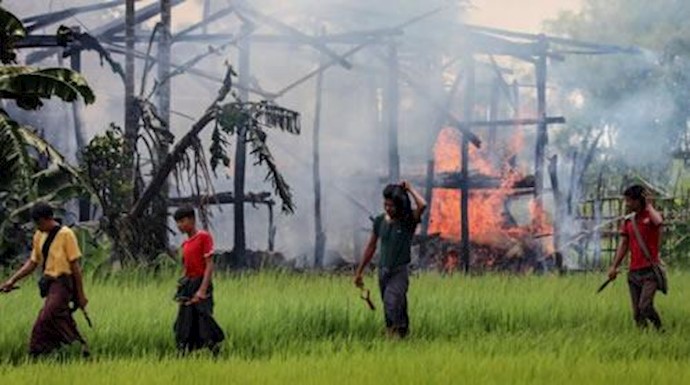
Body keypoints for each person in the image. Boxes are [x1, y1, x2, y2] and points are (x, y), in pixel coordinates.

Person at [0, 202, 89, 357]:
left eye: (39, 222)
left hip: (63, 284)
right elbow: (32, 263)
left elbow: (75, 267)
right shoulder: (39, 235)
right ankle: (77, 347)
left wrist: (80, 295)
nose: (38, 226)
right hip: (50, 284)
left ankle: (36, 351)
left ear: (49, 219)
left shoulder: (66, 234)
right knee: (58, 317)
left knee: (46, 316)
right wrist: (12, 280)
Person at [354, 181, 427, 338]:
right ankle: (401, 333)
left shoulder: (408, 221)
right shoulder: (380, 221)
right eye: (385, 204)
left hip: (399, 272)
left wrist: (410, 189)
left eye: (392, 206)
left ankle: (392, 334)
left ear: (400, 206)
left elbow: (422, 206)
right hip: (383, 271)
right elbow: (371, 247)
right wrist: (359, 272)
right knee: (393, 305)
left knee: (391, 301)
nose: (388, 208)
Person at [607, 185, 665, 330]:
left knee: (645, 306)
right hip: (633, 272)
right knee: (637, 314)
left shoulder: (651, 216)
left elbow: (659, 222)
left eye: (630, 200)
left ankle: (660, 330)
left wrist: (649, 205)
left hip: (650, 271)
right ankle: (644, 340)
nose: (627, 203)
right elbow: (624, 245)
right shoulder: (628, 221)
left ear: (640, 200)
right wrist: (614, 266)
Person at [172, 206, 225, 355]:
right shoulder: (185, 244)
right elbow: (187, 268)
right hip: (189, 284)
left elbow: (209, 265)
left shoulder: (204, 237)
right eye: (177, 222)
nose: (179, 226)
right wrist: (182, 283)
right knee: (185, 322)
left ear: (192, 220)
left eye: (182, 221)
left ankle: (217, 354)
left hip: (202, 283)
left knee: (204, 321)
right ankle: (183, 355)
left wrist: (202, 290)